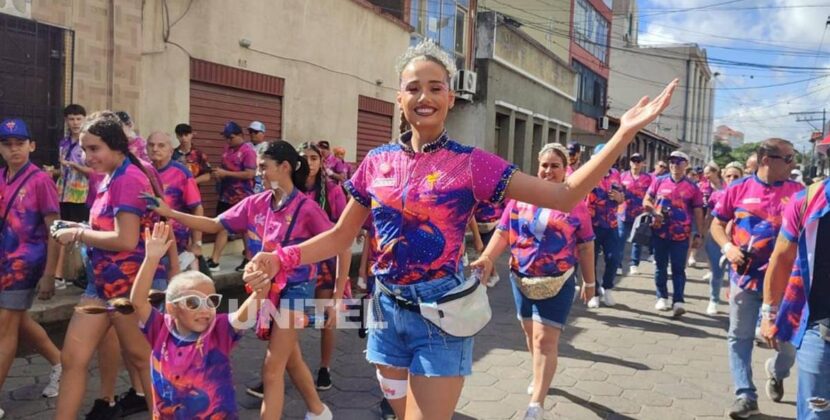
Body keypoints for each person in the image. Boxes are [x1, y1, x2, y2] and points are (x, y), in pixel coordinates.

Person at [243, 39, 677, 419]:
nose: (424, 96)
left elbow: (563, 196)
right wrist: (281, 256)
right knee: (399, 409)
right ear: (399, 98)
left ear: (451, 98)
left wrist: (622, 136)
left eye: (435, 87)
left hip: (442, 315)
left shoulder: (473, 164)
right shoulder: (376, 162)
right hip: (385, 313)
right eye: (413, 87)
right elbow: (341, 237)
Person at [146, 140, 346, 419]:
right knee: (289, 356)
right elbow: (216, 224)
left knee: (272, 368)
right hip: (265, 289)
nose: (258, 173)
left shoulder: (306, 208)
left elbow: (341, 244)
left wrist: (338, 296)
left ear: (285, 167)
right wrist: (170, 213)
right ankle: (318, 410)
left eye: (264, 167)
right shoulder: (256, 203)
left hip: (296, 291)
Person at [51, 111, 173, 420]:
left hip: (130, 288)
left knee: (141, 359)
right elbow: (109, 229)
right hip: (102, 284)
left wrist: (77, 232)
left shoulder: (127, 178)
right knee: (73, 358)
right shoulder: (110, 178)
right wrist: (75, 225)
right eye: (84, 149)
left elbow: (126, 240)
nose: (87, 156)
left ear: (116, 146)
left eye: (94, 149)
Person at [474, 142, 596, 419]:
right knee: (531, 336)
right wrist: (487, 259)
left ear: (566, 170)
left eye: (555, 166)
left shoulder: (576, 203)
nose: (548, 171)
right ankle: (540, 372)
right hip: (522, 280)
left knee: (544, 340)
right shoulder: (519, 198)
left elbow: (587, 245)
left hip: (558, 282)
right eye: (544, 165)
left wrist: (590, 283)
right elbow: (503, 232)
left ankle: (536, 403)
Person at [107, 222, 263, 418]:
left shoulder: (219, 330)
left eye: (211, 301)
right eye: (193, 303)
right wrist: (151, 258)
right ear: (172, 308)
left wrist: (262, 286)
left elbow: (246, 314)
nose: (204, 309)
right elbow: (138, 302)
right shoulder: (160, 328)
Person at [710, 138, 802, 419]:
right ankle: (745, 395)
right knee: (739, 336)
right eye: (787, 159)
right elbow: (717, 224)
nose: (793, 164)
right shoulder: (737, 189)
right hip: (745, 279)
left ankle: (776, 371)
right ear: (766, 160)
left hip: (784, 285)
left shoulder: (799, 192)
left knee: (787, 343)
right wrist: (728, 247)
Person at [761, 138, 830, 419]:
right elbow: (782, 259)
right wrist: (769, 312)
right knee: (818, 413)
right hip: (820, 331)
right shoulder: (808, 200)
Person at [0, 118, 63, 415]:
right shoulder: (1, 177)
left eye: (20, 143)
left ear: (32, 145)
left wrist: (50, 274)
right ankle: (61, 363)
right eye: (7, 144)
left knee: (5, 328)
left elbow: (56, 230)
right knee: (18, 322)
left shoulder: (41, 181)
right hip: (3, 263)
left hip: (26, 265)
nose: (14, 149)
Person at [298, 141, 349, 392]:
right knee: (287, 317)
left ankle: (324, 367)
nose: (309, 162)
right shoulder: (291, 190)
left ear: (321, 162)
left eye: (314, 158)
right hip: (295, 264)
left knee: (326, 316)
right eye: (305, 157)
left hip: (325, 263)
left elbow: (343, 230)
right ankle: (279, 365)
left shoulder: (332, 191)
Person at [642, 150, 704, 317]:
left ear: (686, 164)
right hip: (660, 231)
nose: (674, 165)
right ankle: (661, 296)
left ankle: (678, 300)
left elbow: (698, 211)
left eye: (679, 161)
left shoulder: (692, 187)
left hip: (681, 235)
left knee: (678, 268)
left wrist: (699, 233)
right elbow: (646, 200)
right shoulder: (659, 181)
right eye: (672, 161)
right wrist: (654, 211)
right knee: (660, 266)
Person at [147, 132, 204, 271]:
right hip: (149, 245)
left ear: (171, 151)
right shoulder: (142, 171)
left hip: (177, 245)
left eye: (161, 145)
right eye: (151, 145)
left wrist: (197, 243)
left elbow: (197, 208)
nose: (155, 149)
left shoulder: (181, 173)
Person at [207, 121, 257, 273]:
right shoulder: (227, 149)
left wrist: (226, 173)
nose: (228, 140)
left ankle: (248, 259)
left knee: (244, 229)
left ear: (241, 135)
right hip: (226, 195)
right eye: (226, 137)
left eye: (231, 137)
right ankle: (215, 260)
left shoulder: (248, 151)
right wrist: (218, 175)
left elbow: (250, 173)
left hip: (242, 196)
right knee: (221, 225)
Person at [55, 104, 92, 289]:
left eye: (78, 119)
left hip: (81, 194)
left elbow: (93, 172)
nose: (75, 123)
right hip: (63, 193)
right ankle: (60, 275)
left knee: (81, 235)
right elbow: (63, 169)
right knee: (61, 233)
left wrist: (75, 166)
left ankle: (82, 273)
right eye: (71, 119)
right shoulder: (63, 142)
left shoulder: (87, 144)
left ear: (84, 120)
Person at [585, 144, 624, 308]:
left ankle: (607, 288)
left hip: (611, 224)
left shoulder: (615, 174)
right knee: (590, 261)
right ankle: (593, 293)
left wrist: (619, 197)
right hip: (591, 225)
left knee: (613, 258)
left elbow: (622, 198)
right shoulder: (589, 174)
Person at [703, 162, 742, 315]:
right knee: (716, 271)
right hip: (716, 238)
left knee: (737, 274)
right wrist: (702, 233)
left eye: (736, 176)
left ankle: (736, 304)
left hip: (738, 240)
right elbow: (709, 216)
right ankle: (713, 300)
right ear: (723, 177)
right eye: (728, 176)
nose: (732, 179)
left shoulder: (745, 194)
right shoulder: (717, 194)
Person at [617, 153, 653, 276]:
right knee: (620, 239)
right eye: (633, 161)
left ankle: (634, 264)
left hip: (640, 214)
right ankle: (618, 264)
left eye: (638, 161)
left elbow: (652, 195)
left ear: (643, 163)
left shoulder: (648, 178)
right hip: (623, 213)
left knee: (638, 240)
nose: (636, 163)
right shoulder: (623, 176)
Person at [249, 121, 269, 194]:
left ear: (263, 134)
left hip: (260, 180)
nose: (252, 134)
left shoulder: (268, 147)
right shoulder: (246, 146)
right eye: (250, 131)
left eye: (255, 132)